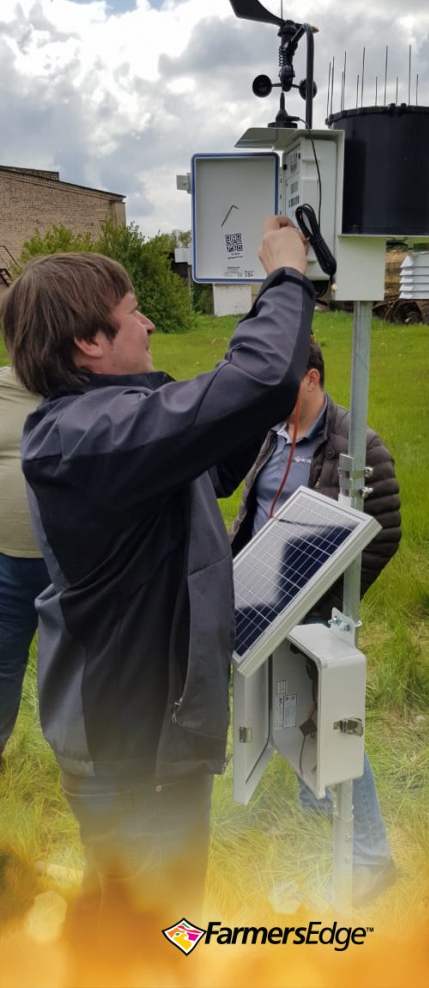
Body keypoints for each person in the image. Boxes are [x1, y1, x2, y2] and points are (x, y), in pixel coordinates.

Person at [0, 216, 315, 971]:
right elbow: (257, 380)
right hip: (134, 759)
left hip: (141, 744)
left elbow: (211, 460)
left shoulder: (108, 429)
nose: (147, 321)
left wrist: (255, 400)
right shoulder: (89, 438)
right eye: (133, 310)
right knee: (159, 942)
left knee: (133, 925)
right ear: (88, 344)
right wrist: (286, 278)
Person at [230, 339, 401, 905]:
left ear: (310, 378)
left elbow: (384, 533)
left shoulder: (359, 444)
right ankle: (319, 811)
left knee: (333, 720)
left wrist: (331, 607)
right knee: (292, 710)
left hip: (311, 614)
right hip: (260, 607)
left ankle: (372, 859)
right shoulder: (271, 433)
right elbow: (255, 511)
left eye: (277, 383)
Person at [0, 366, 49, 763]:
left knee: (76, 669)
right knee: (2, 663)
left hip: (72, 568)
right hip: (5, 565)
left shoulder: (84, 384)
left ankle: (87, 771)